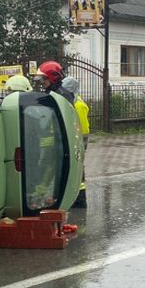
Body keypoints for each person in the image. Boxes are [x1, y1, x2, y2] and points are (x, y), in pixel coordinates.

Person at [61, 76, 90, 208]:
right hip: (71, 141)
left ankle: (80, 199)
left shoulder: (79, 105)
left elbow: (83, 129)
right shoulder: (70, 102)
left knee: (79, 171)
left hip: (77, 143)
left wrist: (81, 146)